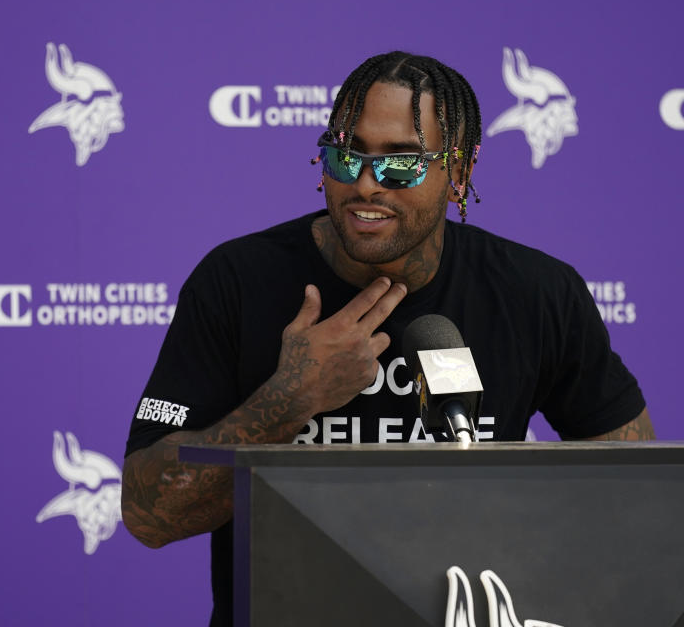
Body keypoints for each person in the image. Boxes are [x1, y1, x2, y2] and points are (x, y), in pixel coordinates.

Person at [121, 51, 654, 626]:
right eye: (345, 159)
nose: (367, 185)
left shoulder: (536, 293)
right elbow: (150, 515)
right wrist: (290, 398)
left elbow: (641, 503)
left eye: (401, 164)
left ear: (461, 172)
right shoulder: (236, 282)